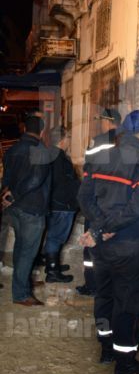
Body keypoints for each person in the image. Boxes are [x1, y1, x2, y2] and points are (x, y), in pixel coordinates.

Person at [78, 109, 139, 374]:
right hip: (131, 245)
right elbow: (137, 207)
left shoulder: (102, 154)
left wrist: (99, 228)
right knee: (128, 302)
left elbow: (84, 197)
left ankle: (106, 348)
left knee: (104, 295)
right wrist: (107, 228)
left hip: (101, 245)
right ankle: (125, 364)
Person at [2, 115, 51, 306]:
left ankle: (23, 282)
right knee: (28, 251)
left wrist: (6, 196)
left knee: (21, 247)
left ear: (24, 129)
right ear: (42, 132)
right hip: (32, 208)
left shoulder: (12, 149)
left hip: (14, 208)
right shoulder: (42, 151)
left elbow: (6, 177)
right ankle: (21, 294)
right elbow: (36, 180)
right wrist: (14, 194)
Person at [76, 107, 121, 296]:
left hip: (97, 201)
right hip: (118, 203)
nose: (100, 124)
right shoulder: (127, 141)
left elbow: (89, 169)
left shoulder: (99, 141)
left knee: (91, 246)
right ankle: (113, 286)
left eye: (102, 120)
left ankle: (92, 285)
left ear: (108, 121)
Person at [44, 126, 80, 283]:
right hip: (62, 204)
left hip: (54, 203)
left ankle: (52, 265)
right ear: (62, 140)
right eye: (68, 137)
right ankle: (52, 271)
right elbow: (63, 183)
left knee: (53, 236)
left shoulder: (50, 154)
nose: (70, 141)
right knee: (55, 238)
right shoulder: (59, 158)